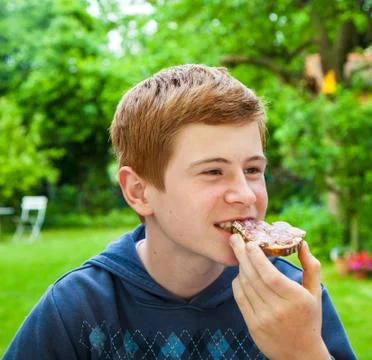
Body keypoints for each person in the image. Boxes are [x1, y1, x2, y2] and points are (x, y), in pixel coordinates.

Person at [4, 64, 356, 359]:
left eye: (252, 169)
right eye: (213, 172)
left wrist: (304, 350)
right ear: (139, 192)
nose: (245, 194)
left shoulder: (292, 299)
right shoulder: (78, 310)